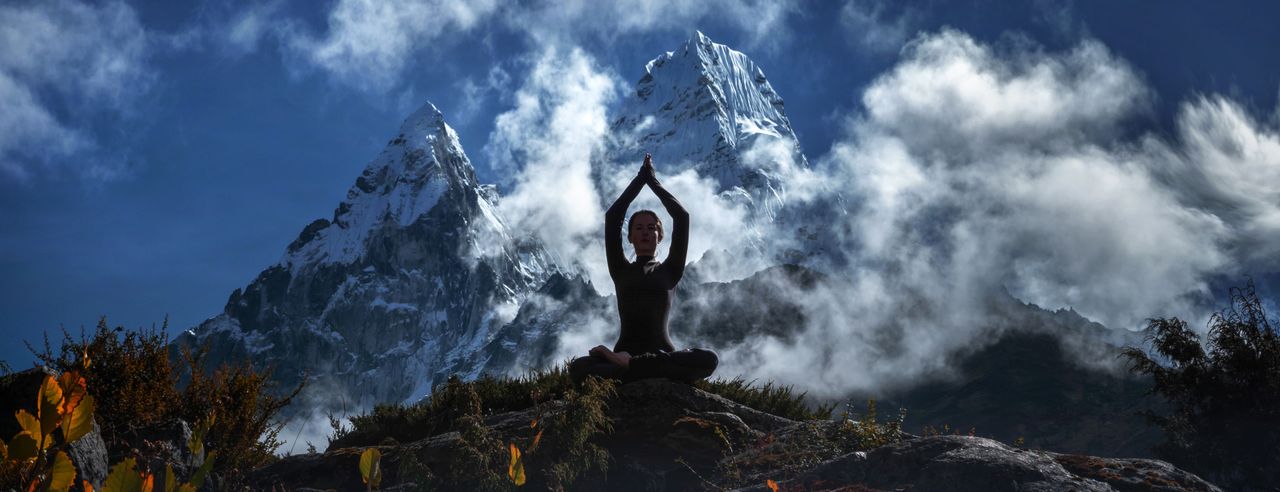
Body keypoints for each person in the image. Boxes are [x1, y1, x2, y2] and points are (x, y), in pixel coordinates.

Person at [569, 153, 719, 384]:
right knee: (578, 368)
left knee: (709, 359)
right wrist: (641, 179)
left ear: (660, 236)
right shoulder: (620, 269)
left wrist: (653, 182)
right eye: (638, 228)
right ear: (629, 237)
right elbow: (613, 217)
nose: (646, 232)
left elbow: (681, 216)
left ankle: (630, 367)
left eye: (651, 227)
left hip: (656, 355)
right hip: (642, 358)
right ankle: (639, 367)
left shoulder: (671, 270)